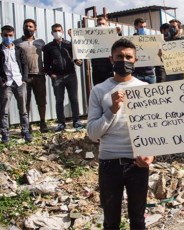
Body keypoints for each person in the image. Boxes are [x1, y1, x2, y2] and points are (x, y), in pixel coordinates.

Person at [87, 38, 154, 229]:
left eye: (128, 57)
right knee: (111, 221)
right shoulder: (99, 91)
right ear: (111, 59)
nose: (124, 60)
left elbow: (155, 129)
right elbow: (92, 133)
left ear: (135, 60)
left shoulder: (146, 89)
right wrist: (112, 109)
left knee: (138, 219)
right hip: (109, 163)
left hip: (138, 163)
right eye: (119, 57)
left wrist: (151, 154)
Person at [43, 23, 84, 132]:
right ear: (52, 33)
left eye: (59, 30)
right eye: (55, 31)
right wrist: (51, 74)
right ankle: (61, 123)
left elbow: (77, 59)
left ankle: (76, 121)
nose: (57, 32)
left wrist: (79, 62)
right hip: (58, 78)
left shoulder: (69, 44)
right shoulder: (48, 48)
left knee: (74, 99)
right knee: (59, 100)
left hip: (71, 75)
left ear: (62, 31)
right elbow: (46, 65)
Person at [14, 19, 48, 133]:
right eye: (26, 26)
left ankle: (43, 122)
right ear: (23, 28)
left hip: (39, 75)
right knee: (25, 102)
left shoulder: (40, 42)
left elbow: (48, 56)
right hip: (24, 77)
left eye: (30, 26)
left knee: (41, 101)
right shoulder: (17, 43)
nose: (28, 28)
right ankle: (26, 125)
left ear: (35, 29)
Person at [0, 25, 32, 143]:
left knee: (23, 109)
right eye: (5, 35)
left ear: (13, 35)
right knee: (4, 111)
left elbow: (24, 65)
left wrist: (24, 79)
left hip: (19, 82)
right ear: (1, 35)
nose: (8, 37)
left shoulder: (18, 50)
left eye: (10, 35)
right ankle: (4, 133)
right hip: (6, 83)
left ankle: (25, 131)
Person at [90, 16, 114, 86]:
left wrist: (119, 32)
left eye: (103, 24)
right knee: (98, 90)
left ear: (107, 25)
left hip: (108, 68)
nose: (101, 26)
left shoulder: (111, 36)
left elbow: (118, 43)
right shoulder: (92, 37)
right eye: (99, 24)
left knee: (110, 90)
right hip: (96, 69)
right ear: (96, 25)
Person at [133, 18, 156, 84]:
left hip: (150, 75)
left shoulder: (152, 40)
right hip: (137, 75)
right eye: (141, 27)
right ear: (136, 27)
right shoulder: (131, 40)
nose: (143, 29)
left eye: (144, 27)